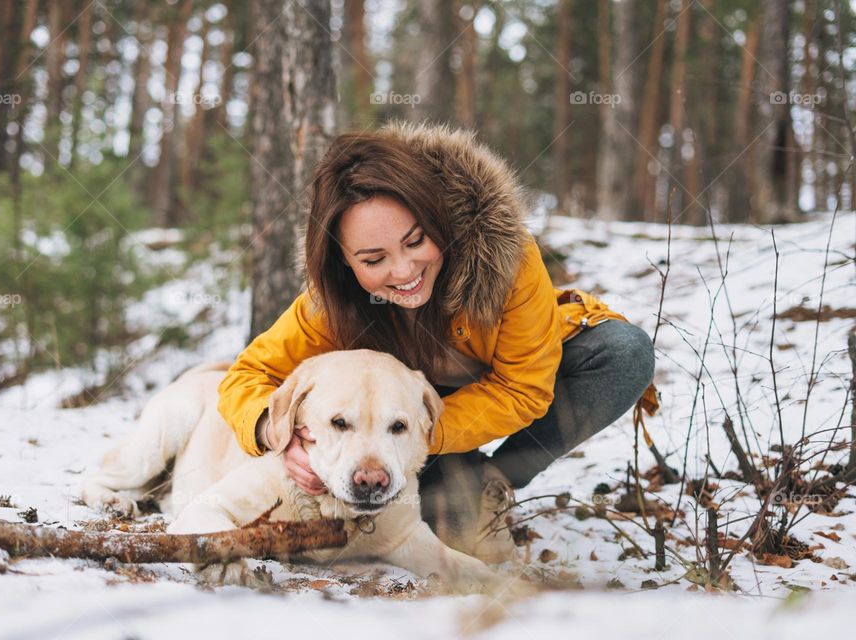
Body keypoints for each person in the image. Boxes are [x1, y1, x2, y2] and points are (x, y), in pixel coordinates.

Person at [217, 122, 657, 563]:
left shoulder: (509, 262)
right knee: (461, 539)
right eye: (374, 259)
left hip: (444, 417)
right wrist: (272, 431)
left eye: (416, 241)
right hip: (405, 427)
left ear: (437, 217)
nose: (404, 270)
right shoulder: (328, 307)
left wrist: (420, 433)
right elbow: (246, 377)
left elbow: (524, 388)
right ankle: (454, 494)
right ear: (344, 261)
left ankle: (495, 481)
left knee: (624, 352)